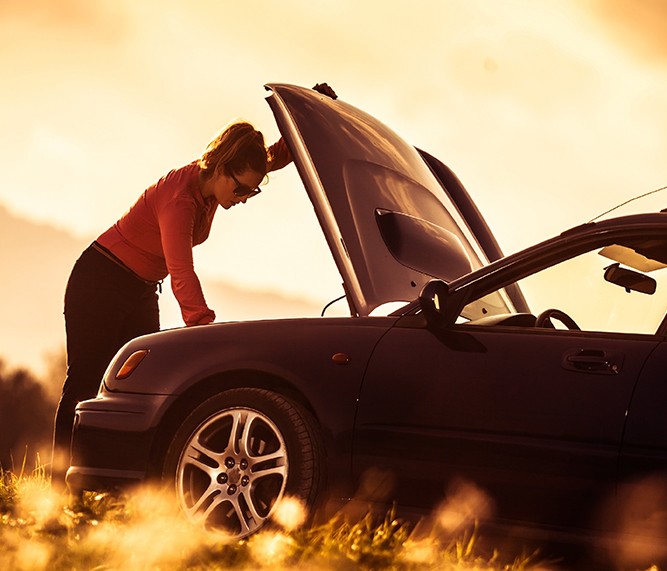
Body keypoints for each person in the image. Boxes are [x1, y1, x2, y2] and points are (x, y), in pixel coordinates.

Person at [51, 120, 293, 483]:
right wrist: (203, 328)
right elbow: (181, 271)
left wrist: (301, 122)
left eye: (252, 192)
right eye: (241, 189)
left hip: (140, 289)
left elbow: (271, 158)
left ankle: (113, 482)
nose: (243, 198)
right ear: (221, 169)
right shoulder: (179, 200)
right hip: (100, 281)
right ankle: (58, 483)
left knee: (141, 387)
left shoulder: (221, 180)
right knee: (85, 380)